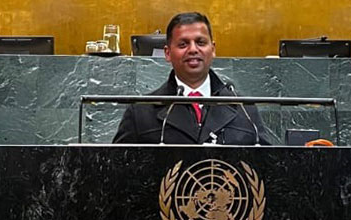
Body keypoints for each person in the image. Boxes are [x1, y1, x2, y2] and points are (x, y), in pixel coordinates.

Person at [111, 12, 275, 145]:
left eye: (201, 42)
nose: (193, 49)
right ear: (167, 53)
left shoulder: (244, 109)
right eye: (183, 44)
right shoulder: (141, 112)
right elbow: (116, 170)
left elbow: (267, 169)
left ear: (213, 49)